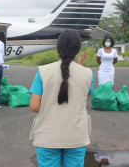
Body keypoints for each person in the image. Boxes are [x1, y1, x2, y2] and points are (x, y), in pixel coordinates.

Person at [29, 30, 94, 167]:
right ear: (78, 51)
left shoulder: (43, 71)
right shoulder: (88, 74)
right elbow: (83, 94)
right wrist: (79, 67)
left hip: (48, 136)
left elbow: (34, 107)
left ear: (57, 48)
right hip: (75, 136)